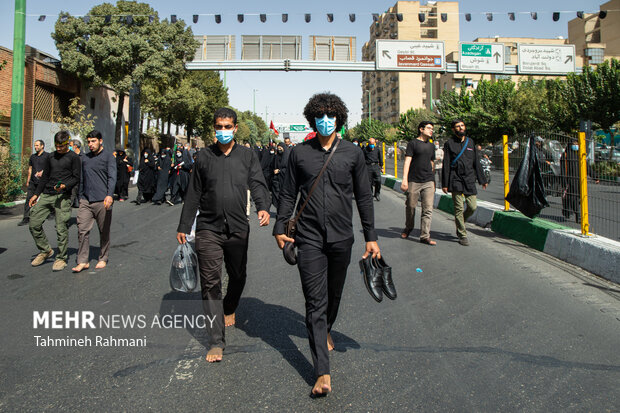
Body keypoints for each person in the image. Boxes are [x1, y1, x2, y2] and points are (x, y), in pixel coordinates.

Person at [274, 93, 381, 396]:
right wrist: (280, 226)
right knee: (314, 302)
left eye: (330, 115)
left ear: (339, 119)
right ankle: (322, 371)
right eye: (319, 115)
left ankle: (326, 329)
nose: (325, 120)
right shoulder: (299, 153)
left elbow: (363, 198)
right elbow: (287, 193)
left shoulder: (352, 154)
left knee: (333, 295)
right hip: (307, 238)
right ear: (312, 119)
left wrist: (371, 236)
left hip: (341, 238)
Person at [176, 107, 270, 363]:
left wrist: (263, 207)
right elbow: (194, 192)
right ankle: (216, 341)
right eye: (219, 126)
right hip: (208, 227)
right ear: (214, 128)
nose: (224, 131)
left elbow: (258, 183)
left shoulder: (247, 156)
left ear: (235, 128)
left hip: (238, 227)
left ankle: (229, 306)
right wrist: (184, 225)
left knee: (238, 275)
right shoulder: (204, 157)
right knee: (210, 283)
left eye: (228, 126)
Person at [28, 131, 81, 271]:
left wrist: (65, 185)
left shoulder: (74, 158)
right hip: (47, 194)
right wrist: (35, 195)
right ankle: (45, 250)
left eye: (61, 146)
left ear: (67, 143)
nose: (58, 148)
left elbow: (76, 178)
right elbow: (44, 177)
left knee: (61, 227)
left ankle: (61, 258)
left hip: (63, 196)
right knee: (33, 223)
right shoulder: (50, 157)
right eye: (56, 145)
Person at [72, 130, 116, 273]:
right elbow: (82, 178)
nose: (90, 144)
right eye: (89, 141)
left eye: (93, 141)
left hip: (103, 200)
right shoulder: (85, 158)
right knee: (82, 230)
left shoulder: (109, 157)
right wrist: (80, 197)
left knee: (104, 231)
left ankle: (103, 257)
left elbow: (112, 177)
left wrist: (109, 195)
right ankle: (83, 261)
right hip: (86, 200)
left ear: (100, 141)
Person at [441, 120, 487, 246]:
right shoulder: (449, 144)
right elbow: (446, 164)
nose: (461, 128)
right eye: (458, 126)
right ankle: (462, 234)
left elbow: (476, 162)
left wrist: (482, 179)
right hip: (455, 179)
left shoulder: (470, 142)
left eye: (462, 126)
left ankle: (460, 223)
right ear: (453, 129)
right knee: (459, 208)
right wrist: (444, 183)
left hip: (469, 179)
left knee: (472, 207)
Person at [400, 121, 437, 245]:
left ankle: (425, 236)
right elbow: (407, 162)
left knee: (428, 209)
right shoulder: (413, 143)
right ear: (421, 129)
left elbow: (432, 163)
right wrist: (404, 179)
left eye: (432, 129)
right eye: (429, 128)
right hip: (414, 180)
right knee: (410, 206)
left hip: (428, 181)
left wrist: (433, 179)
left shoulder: (432, 146)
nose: (431, 131)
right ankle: (408, 227)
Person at [19, 140, 49, 226]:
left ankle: (51, 213)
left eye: (37, 145)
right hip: (33, 181)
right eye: (35, 145)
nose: (35, 147)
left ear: (42, 146)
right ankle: (26, 218)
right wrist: (28, 180)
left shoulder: (47, 156)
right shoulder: (32, 157)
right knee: (29, 198)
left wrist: (43, 172)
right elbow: (30, 169)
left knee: (47, 198)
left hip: (44, 182)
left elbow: (51, 168)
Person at [560, 139, 581, 223]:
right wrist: (564, 181)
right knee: (573, 198)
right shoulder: (565, 155)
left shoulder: (579, 155)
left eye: (577, 144)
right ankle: (578, 215)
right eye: (574, 144)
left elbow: (586, 167)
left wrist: (595, 177)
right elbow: (562, 169)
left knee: (576, 198)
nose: (576, 145)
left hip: (579, 181)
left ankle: (568, 211)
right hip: (570, 181)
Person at [363, 137, 383, 201]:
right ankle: (370, 194)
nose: (372, 145)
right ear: (368, 143)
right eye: (370, 143)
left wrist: (381, 167)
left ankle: (377, 194)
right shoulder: (365, 150)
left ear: (374, 143)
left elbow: (380, 158)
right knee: (369, 182)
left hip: (376, 166)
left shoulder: (377, 150)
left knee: (378, 181)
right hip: (368, 167)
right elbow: (362, 159)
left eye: (373, 143)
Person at [271, 142, 289, 209]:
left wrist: (279, 171)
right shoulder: (276, 157)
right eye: (278, 148)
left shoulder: (287, 157)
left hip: (284, 180)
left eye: (280, 148)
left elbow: (288, 168)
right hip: (276, 180)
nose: (279, 150)